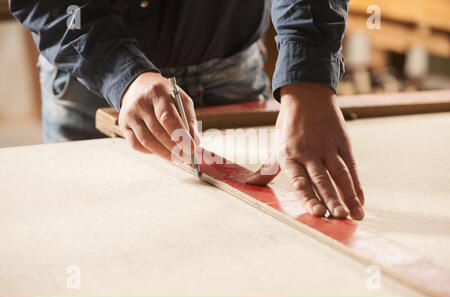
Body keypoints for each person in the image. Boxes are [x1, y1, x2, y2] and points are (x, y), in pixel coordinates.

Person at [10, 0, 365, 220]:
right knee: (92, 244)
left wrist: (309, 81)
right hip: (90, 75)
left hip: (231, 66)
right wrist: (123, 74)